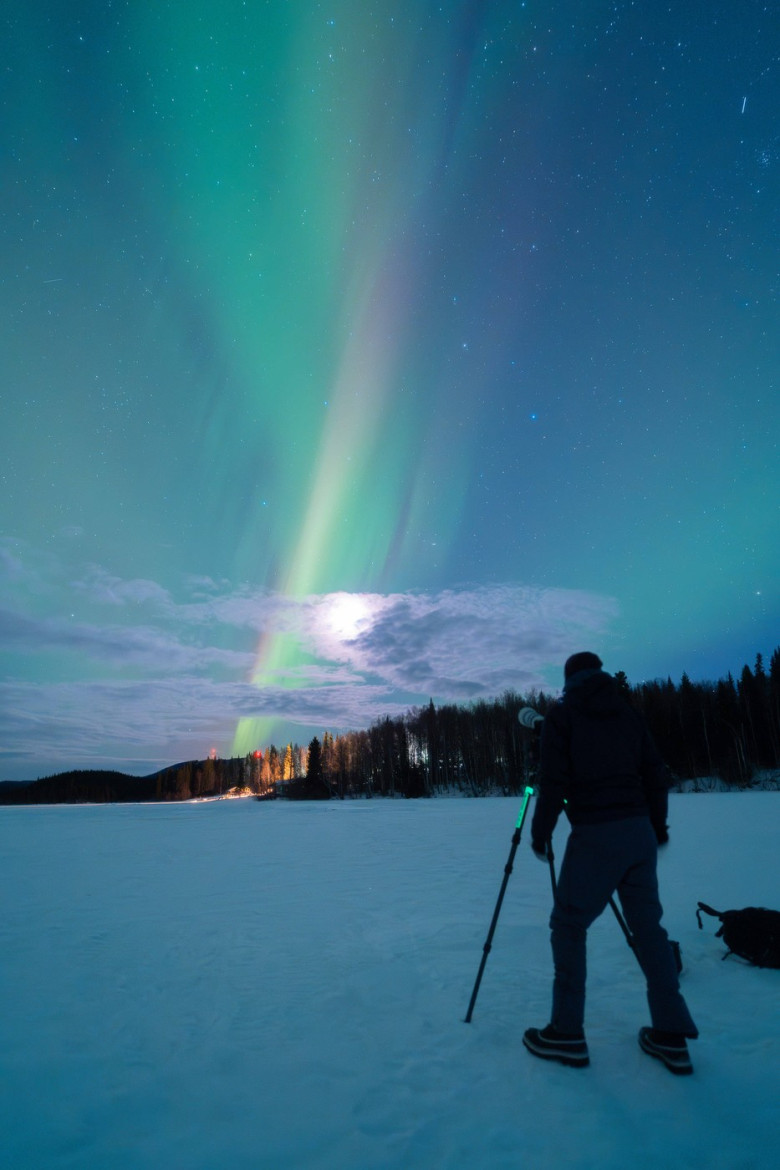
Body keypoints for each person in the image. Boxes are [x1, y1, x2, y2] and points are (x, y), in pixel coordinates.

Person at [522, 652, 698, 1074]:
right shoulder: (628, 714)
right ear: (599, 675)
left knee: (568, 925)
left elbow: (553, 781)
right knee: (648, 931)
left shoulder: (563, 717)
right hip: (639, 833)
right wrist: (658, 827)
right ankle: (670, 1035)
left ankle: (566, 1035)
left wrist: (540, 832)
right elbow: (656, 774)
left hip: (597, 834)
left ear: (569, 680)